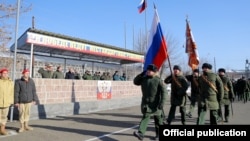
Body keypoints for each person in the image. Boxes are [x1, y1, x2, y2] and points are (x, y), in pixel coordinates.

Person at [133, 64, 167, 141]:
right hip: (146, 103)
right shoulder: (144, 79)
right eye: (147, 70)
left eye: (150, 71)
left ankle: (159, 135)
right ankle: (141, 133)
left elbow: (164, 93)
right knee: (146, 116)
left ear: (154, 72)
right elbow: (135, 82)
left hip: (156, 104)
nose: (148, 71)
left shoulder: (158, 80)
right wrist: (141, 75)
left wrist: (162, 103)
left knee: (158, 120)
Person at [0, 68, 14, 135]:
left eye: (6, 73)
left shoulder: (10, 82)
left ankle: (2, 129)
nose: (5, 74)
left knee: (4, 117)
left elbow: (12, 92)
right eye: (4, 73)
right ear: (1, 74)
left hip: (6, 102)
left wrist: (11, 101)